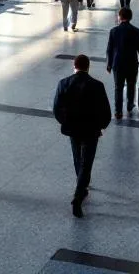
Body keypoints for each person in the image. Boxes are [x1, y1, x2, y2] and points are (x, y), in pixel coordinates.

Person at [52, 54, 111, 218]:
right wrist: (101, 126)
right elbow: (106, 111)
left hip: (72, 128)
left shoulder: (63, 83)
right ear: (88, 67)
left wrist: (65, 122)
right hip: (91, 130)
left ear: (74, 65)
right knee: (87, 161)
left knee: (77, 157)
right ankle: (78, 195)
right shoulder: (97, 86)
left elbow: (56, 108)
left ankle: (82, 185)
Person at [105, 8, 139, 119]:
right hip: (132, 63)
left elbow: (109, 49)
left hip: (117, 63)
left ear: (120, 17)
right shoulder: (137, 31)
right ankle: (129, 105)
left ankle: (118, 111)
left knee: (118, 87)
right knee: (131, 84)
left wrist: (109, 64)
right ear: (130, 17)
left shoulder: (114, 31)